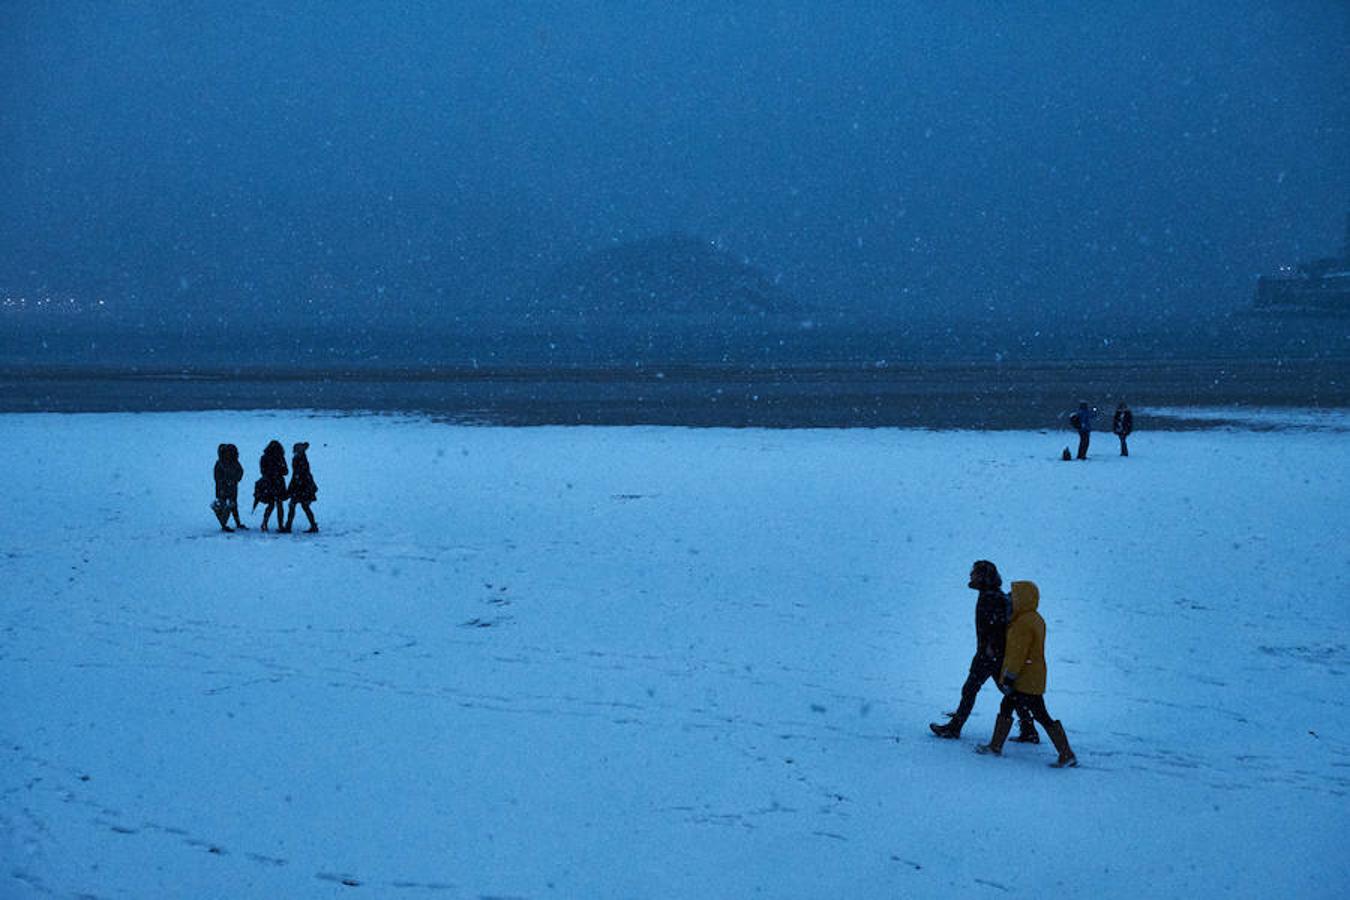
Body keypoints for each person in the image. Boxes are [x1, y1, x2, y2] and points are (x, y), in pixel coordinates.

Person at [929, 561, 1039, 743]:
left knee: (972, 689)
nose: (970, 576)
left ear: (983, 576)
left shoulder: (991, 597)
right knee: (1010, 693)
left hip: (989, 656)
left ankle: (955, 728)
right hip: (994, 655)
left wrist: (990, 650)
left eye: (974, 573)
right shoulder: (994, 595)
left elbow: (997, 627)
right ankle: (1029, 730)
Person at [976, 580, 1077, 768]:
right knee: (1008, 705)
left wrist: (1008, 677)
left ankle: (1066, 753)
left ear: (1022, 598)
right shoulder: (1035, 618)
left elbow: (1017, 654)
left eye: (1014, 596)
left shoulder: (1022, 623)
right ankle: (996, 745)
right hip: (1034, 676)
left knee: (1041, 714)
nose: (1010, 599)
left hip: (1024, 679)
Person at [281, 441, 318, 533]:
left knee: (294, 506)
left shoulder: (299, 459)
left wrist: (294, 485)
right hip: (303, 486)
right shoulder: (302, 458)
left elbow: (298, 473)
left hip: (300, 486)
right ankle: (313, 525)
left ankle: (289, 526)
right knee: (303, 506)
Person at [254, 440, 288, 532]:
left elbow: (263, 471)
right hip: (277, 483)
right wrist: (278, 471)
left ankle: (265, 523)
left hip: (269, 483)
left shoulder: (265, 457)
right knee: (278, 504)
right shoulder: (280, 458)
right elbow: (285, 471)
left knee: (271, 504)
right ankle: (279, 525)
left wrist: (272, 473)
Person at [212, 443, 247, 531]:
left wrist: (235, 479)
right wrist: (226, 481)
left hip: (232, 487)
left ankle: (237, 523)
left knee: (233, 505)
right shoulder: (220, 463)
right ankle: (224, 524)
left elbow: (240, 471)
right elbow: (217, 477)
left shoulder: (234, 462)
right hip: (223, 489)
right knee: (225, 506)